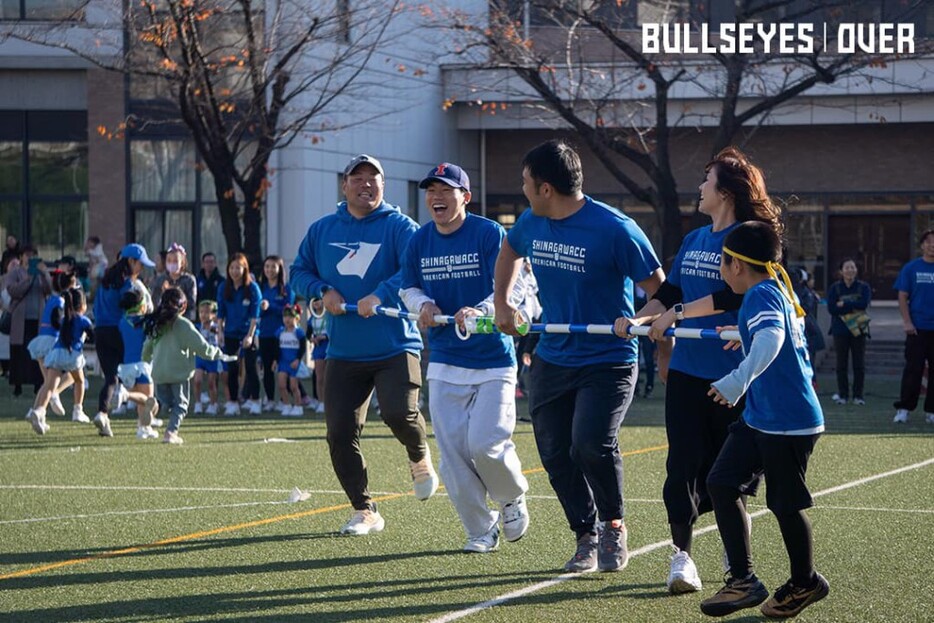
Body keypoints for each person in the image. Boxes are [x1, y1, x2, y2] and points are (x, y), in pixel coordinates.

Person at [614, 147, 785, 593]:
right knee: (682, 467)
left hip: (733, 378)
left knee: (729, 477)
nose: (699, 187)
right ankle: (682, 558)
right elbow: (668, 292)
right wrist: (637, 319)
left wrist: (678, 314)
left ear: (725, 191)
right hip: (688, 375)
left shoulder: (748, 239)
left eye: (706, 180)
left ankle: (736, 560)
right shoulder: (693, 240)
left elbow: (736, 297)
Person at [494, 140, 664, 572]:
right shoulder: (531, 221)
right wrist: (502, 304)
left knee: (591, 443)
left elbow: (663, 292)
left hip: (608, 357)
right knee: (553, 450)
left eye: (526, 181)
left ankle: (613, 526)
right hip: (553, 355)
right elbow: (509, 251)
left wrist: (640, 321)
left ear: (546, 187)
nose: (524, 188)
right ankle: (585, 534)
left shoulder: (615, 229)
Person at [290, 153, 438, 536]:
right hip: (344, 350)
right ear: (345, 186)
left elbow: (414, 268)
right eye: (357, 178)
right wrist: (323, 290)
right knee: (339, 432)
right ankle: (364, 508)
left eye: (374, 178)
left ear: (383, 186)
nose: (365, 184)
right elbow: (298, 271)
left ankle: (419, 454)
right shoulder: (323, 229)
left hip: (395, 346)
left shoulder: (400, 227)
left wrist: (381, 294)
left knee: (398, 414)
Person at [400, 162, 530, 553]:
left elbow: (515, 286)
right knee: (452, 456)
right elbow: (407, 287)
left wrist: (482, 310)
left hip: (493, 361)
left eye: (445, 190)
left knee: (485, 444)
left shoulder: (491, 234)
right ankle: (479, 528)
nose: (436, 198)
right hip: (443, 361)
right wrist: (422, 303)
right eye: (431, 191)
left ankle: (510, 496)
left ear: (465, 197)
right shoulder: (419, 240)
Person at [702, 221, 828, 619]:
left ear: (737, 264)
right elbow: (782, 336)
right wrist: (744, 336)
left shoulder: (760, 295)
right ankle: (743, 580)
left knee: (785, 506)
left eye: (722, 263)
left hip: (787, 422)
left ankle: (805, 583)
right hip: (764, 418)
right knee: (722, 482)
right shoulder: (773, 290)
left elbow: (773, 339)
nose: (720, 271)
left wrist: (738, 378)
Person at [141, 287, 236, 444]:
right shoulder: (183, 325)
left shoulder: (157, 323)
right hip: (178, 373)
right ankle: (170, 433)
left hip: (159, 373)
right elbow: (201, 347)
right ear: (183, 307)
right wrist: (218, 354)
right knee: (181, 405)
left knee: (167, 403)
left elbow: (147, 347)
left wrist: (145, 360)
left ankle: (155, 405)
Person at [93, 243, 156, 437]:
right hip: (119, 332)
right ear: (131, 261)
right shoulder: (128, 284)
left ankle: (103, 414)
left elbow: (96, 308)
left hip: (100, 332)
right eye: (140, 264)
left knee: (111, 378)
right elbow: (128, 307)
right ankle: (144, 423)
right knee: (138, 380)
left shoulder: (105, 281)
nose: (142, 268)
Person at [25, 288, 93, 435]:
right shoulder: (83, 320)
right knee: (79, 381)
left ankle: (39, 411)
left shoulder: (64, 319)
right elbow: (93, 335)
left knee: (49, 386)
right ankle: (78, 410)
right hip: (73, 354)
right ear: (83, 305)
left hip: (56, 354)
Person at [892, 228, 934, 424]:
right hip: (916, 328)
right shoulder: (911, 268)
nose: (932, 245)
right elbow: (902, 296)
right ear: (922, 245)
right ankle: (904, 409)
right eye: (928, 241)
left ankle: (931, 411)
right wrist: (907, 322)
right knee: (913, 370)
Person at [217, 253, 262, 416]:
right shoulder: (223, 287)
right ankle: (233, 402)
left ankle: (256, 400)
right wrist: (220, 332)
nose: (235, 271)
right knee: (232, 369)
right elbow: (220, 313)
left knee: (250, 367)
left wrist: (250, 336)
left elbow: (255, 315)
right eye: (232, 267)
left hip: (249, 332)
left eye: (238, 268)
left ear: (245, 269)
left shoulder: (252, 288)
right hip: (230, 333)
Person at [6, 245, 52, 396]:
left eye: (33, 255)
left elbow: (49, 289)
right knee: (19, 352)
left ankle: (37, 384)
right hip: (21, 319)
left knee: (37, 352)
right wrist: (27, 280)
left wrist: (44, 274)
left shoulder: (39, 274)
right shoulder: (16, 272)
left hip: (38, 319)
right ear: (21, 257)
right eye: (27, 255)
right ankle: (17, 385)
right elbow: (12, 290)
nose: (30, 258)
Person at [826, 258, 870, 405]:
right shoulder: (835, 288)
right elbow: (832, 309)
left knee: (859, 364)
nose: (850, 270)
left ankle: (858, 395)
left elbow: (863, 304)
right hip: (840, 330)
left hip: (858, 328)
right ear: (841, 271)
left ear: (856, 270)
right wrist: (853, 307)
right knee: (841, 364)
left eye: (852, 267)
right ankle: (843, 394)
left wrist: (844, 304)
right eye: (847, 268)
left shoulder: (863, 287)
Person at [258, 255, 296, 411]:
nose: (269, 270)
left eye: (273, 267)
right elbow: (255, 311)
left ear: (280, 269)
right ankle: (270, 399)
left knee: (284, 367)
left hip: (283, 335)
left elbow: (288, 310)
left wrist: (270, 306)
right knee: (267, 368)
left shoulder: (286, 289)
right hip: (265, 334)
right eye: (267, 266)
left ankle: (285, 400)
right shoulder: (260, 288)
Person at [793, 268, 825, 386]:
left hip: (808, 333)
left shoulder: (806, 293)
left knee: (809, 361)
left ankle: (811, 384)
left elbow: (804, 309)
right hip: (800, 333)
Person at [274, 303, 306, 417]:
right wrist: (275, 361)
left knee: (293, 386)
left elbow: (303, 348)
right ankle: (286, 405)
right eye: (285, 316)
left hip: (293, 363)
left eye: (290, 317)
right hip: (283, 362)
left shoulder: (298, 333)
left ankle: (298, 406)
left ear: (296, 318)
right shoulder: (280, 332)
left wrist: (297, 359)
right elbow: (277, 348)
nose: (287, 319)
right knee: (281, 385)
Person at [151, 243, 197, 321]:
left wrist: (175, 293)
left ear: (182, 263)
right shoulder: (160, 279)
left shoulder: (189, 279)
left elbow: (192, 303)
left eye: (175, 261)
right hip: (165, 320)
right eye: (169, 260)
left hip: (185, 319)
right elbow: (155, 302)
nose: (172, 263)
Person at [192, 300, 223, 416]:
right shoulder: (197, 327)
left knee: (211, 382)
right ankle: (198, 403)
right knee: (197, 380)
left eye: (207, 312)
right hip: (200, 357)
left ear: (213, 314)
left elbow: (220, 334)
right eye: (201, 312)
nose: (203, 315)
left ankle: (213, 404)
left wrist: (217, 329)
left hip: (212, 358)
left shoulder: (216, 328)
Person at [307, 298, 329, 414]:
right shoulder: (312, 318)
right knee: (319, 377)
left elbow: (332, 331)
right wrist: (312, 339)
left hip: (328, 346)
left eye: (318, 300)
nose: (316, 303)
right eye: (313, 301)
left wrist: (324, 337)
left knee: (329, 377)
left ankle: (330, 401)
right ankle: (321, 401)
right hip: (318, 347)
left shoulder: (328, 316)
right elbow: (308, 333)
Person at [85, 236, 108, 302]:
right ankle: (94, 295)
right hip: (97, 266)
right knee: (95, 282)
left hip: (102, 266)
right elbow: (91, 260)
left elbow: (97, 255)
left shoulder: (98, 248)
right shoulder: (92, 250)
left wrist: (89, 251)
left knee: (96, 280)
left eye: (90, 242)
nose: (89, 244)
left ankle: (95, 296)